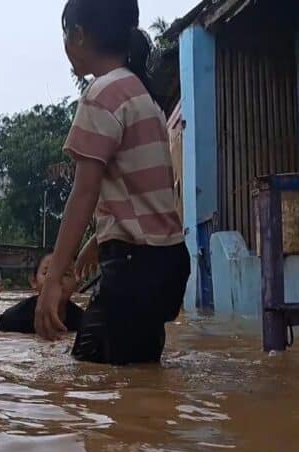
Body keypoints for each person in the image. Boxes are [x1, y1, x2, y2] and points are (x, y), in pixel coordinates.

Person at [34, 0, 191, 365]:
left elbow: (84, 191)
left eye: (64, 33)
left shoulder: (102, 93)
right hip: (164, 261)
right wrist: (97, 241)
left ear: (78, 35)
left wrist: (55, 277)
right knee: (101, 369)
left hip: (135, 266)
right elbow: (138, 190)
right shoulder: (144, 97)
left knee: (123, 393)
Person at [0, 252, 83, 334]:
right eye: (47, 273)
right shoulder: (11, 320)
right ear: (34, 281)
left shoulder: (84, 321)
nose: (57, 280)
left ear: (77, 283)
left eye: (66, 274)